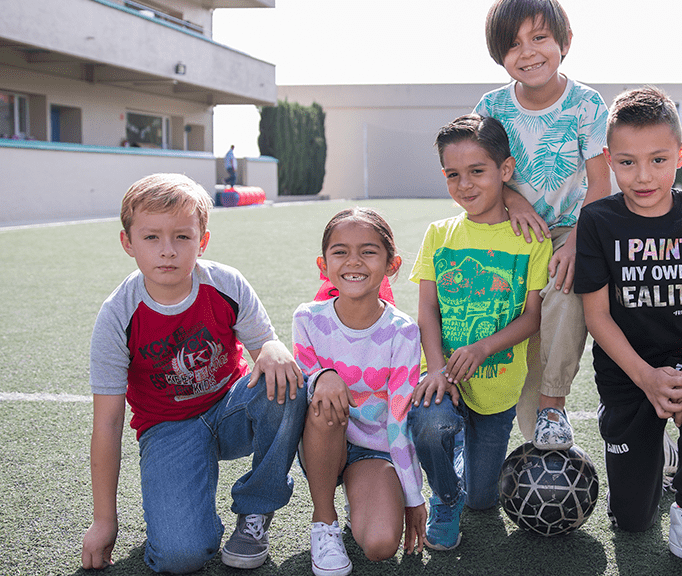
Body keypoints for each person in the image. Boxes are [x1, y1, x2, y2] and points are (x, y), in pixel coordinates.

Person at [81, 173, 306, 573]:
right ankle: (186, 519)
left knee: (288, 380)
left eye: (182, 237)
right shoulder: (118, 314)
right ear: (127, 243)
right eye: (151, 237)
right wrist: (104, 520)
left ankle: (255, 512)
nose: (167, 251)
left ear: (202, 241)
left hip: (230, 409)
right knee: (180, 557)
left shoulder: (225, 283)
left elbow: (265, 349)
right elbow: (108, 422)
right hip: (168, 426)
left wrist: (271, 346)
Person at [575, 87, 682, 576]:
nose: (643, 176)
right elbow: (597, 317)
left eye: (658, 159)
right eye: (626, 163)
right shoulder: (597, 220)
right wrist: (646, 378)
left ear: (681, 155)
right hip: (627, 375)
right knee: (630, 520)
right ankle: (661, 451)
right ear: (608, 160)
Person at [407, 114, 551, 550]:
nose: (465, 185)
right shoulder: (439, 234)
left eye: (477, 171)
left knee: (484, 500)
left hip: (497, 390)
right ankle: (443, 497)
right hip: (442, 379)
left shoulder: (531, 239)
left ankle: (461, 460)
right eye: (453, 174)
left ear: (505, 171)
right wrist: (435, 369)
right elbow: (427, 310)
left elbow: (534, 316)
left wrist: (484, 347)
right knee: (433, 427)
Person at [475, 0, 611, 450]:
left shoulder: (586, 103)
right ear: (499, 54)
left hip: (570, 229)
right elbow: (483, 172)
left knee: (564, 285)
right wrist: (511, 198)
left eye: (539, 38)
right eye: (513, 44)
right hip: (510, 232)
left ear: (564, 43)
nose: (528, 52)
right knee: (518, 332)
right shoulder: (491, 106)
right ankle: (522, 438)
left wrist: (576, 240)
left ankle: (553, 405)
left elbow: (599, 184)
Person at [293, 208, 427, 576]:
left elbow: (399, 418)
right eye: (340, 252)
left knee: (381, 546)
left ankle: (362, 500)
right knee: (324, 397)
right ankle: (324, 522)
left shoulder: (403, 331)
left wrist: (413, 497)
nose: (353, 261)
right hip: (322, 441)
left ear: (391, 264)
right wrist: (324, 374)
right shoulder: (307, 319)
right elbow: (302, 385)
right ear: (324, 264)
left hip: (373, 450)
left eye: (368, 251)